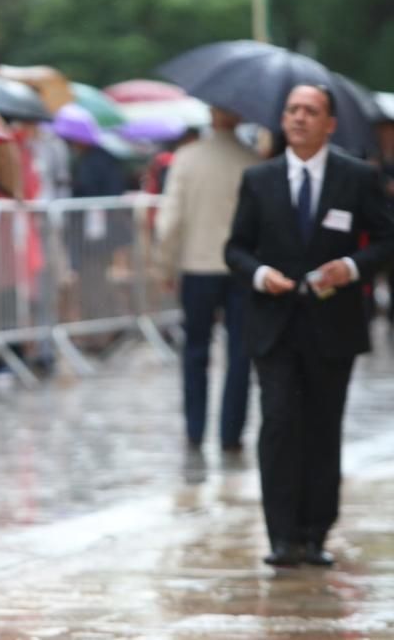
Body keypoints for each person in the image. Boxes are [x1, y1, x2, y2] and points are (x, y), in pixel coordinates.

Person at [225, 84, 394, 568]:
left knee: (322, 427)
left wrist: (352, 267)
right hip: (274, 325)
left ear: (330, 124)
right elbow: (236, 248)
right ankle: (280, 535)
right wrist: (260, 275)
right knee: (278, 423)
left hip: (332, 325)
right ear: (283, 119)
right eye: (293, 110)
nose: (299, 118)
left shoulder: (357, 177)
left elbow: (386, 239)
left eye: (310, 111)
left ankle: (315, 532)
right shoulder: (259, 179)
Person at [155, 109, 260, 452]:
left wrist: (165, 266)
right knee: (239, 354)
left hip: (198, 266)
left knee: (195, 351)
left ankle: (195, 429)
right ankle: (231, 433)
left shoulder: (187, 158)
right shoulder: (252, 160)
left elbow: (169, 220)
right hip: (241, 270)